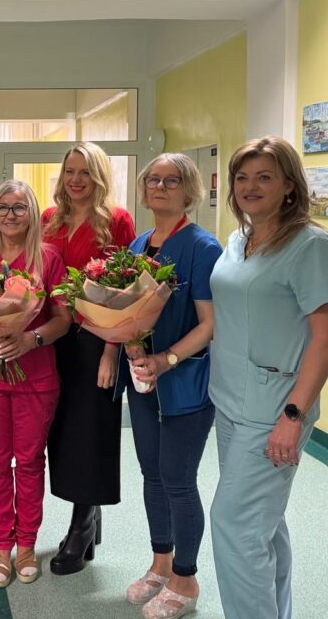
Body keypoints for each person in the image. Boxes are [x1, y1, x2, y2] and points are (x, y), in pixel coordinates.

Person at [209, 136, 328, 619]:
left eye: (264, 177)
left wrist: (294, 415)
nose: (250, 186)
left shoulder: (312, 247)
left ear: (289, 185)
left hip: (274, 409)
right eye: (242, 177)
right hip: (229, 401)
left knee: (234, 525)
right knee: (261, 525)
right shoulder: (238, 240)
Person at [118, 154, 222, 619]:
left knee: (178, 480)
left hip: (186, 381)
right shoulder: (138, 245)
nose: (160, 186)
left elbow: (209, 324)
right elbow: (124, 312)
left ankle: (186, 578)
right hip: (143, 382)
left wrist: (166, 360)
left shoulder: (202, 247)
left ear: (189, 190)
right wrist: (129, 344)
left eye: (171, 180)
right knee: (152, 475)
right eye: (153, 179)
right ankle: (160, 563)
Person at [0, 180, 72, 587]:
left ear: (32, 213)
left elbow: (63, 319)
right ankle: (0, 545)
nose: (10, 214)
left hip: (36, 375)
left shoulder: (48, 258)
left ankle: (26, 543)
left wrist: (30, 339)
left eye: (19, 207)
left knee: (28, 461)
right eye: (3, 207)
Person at [41, 141, 136, 574]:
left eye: (84, 172)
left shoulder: (116, 222)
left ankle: (81, 527)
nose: (76, 180)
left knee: (90, 432)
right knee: (60, 431)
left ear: (98, 176)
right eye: (70, 172)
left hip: (96, 341)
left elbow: (125, 289)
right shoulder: (49, 219)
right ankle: (87, 515)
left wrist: (112, 350)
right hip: (54, 339)